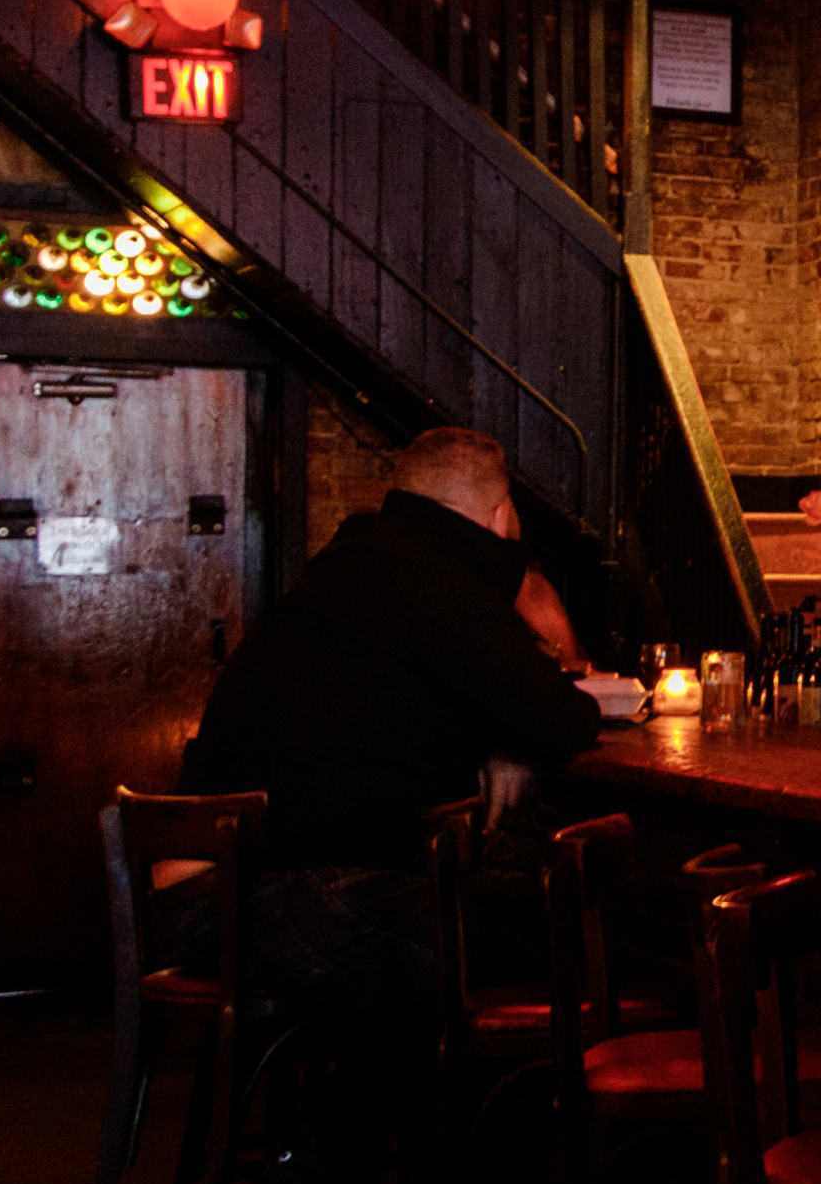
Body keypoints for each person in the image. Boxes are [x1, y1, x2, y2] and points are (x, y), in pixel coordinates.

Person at [176, 425, 604, 1016]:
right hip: (261, 901)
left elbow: (394, 703)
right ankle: (495, 1106)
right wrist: (516, 740)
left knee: (479, 916)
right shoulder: (443, 585)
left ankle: (375, 1105)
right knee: (565, 942)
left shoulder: (348, 566)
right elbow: (565, 720)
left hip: (210, 890)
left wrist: (499, 739)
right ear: (501, 517)